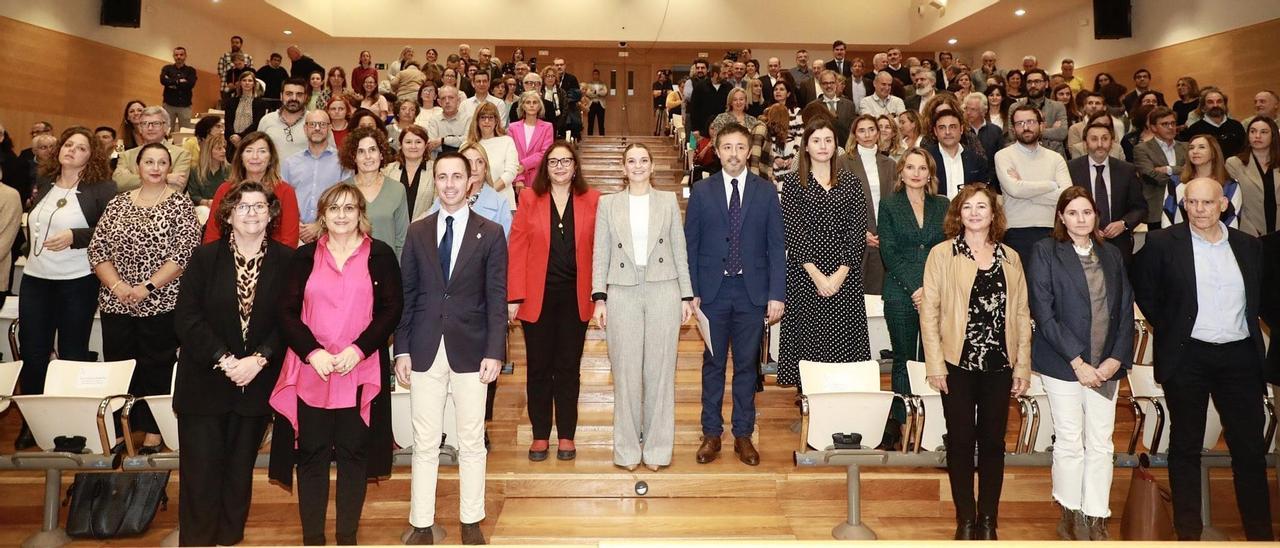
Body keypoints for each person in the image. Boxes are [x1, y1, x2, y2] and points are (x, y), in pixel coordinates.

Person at [1132, 178, 1274, 541]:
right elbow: (1145, 291)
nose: (1199, 210)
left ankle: (1259, 535)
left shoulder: (1249, 247)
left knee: (1249, 450)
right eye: (1191, 203)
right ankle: (1188, 534)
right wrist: (1171, 327)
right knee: (1185, 448)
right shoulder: (1163, 243)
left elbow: (1260, 299)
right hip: (1188, 356)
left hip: (1240, 357)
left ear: (1223, 205)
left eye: (1207, 203)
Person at [269, 183, 401, 546]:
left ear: (361, 213)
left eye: (349, 208)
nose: (341, 215)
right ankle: (313, 537)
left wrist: (358, 350)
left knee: (353, 455)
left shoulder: (382, 255)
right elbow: (286, 310)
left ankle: (347, 537)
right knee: (310, 454)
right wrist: (314, 352)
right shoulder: (304, 256)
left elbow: (392, 309)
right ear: (323, 215)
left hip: (358, 370)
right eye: (334, 208)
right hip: (313, 369)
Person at [394, 151, 504, 546]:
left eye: (458, 176)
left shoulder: (490, 232)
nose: (450, 184)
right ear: (435, 182)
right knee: (425, 440)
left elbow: (496, 296)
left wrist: (495, 351)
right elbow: (407, 295)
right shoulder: (418, 230)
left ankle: (471, 520)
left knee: (471, 439)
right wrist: (401, 349)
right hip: (423, 348)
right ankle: (421, 522)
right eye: (443, 177)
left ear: (470, 181)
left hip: (473, 350)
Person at [173, 182, 290, 546]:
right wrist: (224, 359)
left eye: (259, 206)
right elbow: (187, 318)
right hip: (205, 383)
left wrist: (260, 359)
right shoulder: (205, 258)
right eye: (242, 206)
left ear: (271, 213)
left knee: (238, 475)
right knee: (201, 475)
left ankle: (228, 541)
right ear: (227, 215)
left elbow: (292, 320)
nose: (251, 213)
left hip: (256, 382)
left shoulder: (288, 261)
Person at [920, 183, 1032, 541]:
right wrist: (935, 364)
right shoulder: (942, 254)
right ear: (958, 213)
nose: (974, 213)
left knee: (994, 443)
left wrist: (1023, 366)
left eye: (981, 207)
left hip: (1000, 365)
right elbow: (930, 313)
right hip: (956, 364)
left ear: (993, 214)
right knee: (961, 442)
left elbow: (1021, 314)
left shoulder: (1011, 257)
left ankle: (988, 520)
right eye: (967, 207)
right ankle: (965, 518)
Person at [1026, 187, 1134, 540]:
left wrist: (1115, 357)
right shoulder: (1046, 251)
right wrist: (1078, 362)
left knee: (1102, 441)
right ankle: (1070, 512)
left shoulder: (1112, 254)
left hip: (1106, 365)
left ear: (1096, 216)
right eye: (1072, 213)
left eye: (1086, 212)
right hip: (1063, 364)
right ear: (1061, 216)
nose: (1080, 219)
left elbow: (1123, 310)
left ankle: (1096, 514)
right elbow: (1044, 312)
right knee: (1070, 439)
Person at [89, 143, 201, 453]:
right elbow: (97, 249)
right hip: (117, 302)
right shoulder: (118, 203)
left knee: (157, 365)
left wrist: (145, 288)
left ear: (169, 168)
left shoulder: (181, 205)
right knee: (120, 366)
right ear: (138, 167)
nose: (154, 167)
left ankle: (153, 431)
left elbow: (184, 254)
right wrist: (118, 287)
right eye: (148, 161)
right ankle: (122, 428)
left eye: (161, 162)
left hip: (161, 302)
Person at [685, 123, 785, 466]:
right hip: (711, 294)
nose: (733, 154)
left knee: (746, 365)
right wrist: (691, 292)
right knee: (713, 364)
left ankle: (744, 434)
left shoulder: (766, 191)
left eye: (740, 147)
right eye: (727, 147)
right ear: (717, 148)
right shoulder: (701, 191)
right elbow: (691, 245)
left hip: (751, 292)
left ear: (749, 150)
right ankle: (711, 433)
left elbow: (776, 244)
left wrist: (777, 294)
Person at [588, 143, 692, 471]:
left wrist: (686, 296)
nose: (637, 166)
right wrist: (599, 297)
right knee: (626, 373)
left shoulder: (667, 202)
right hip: (622, 289)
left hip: (664, 287)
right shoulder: (608, 204)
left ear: (652, 166)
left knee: (661, 374)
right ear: (623, 167)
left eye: (643, 160)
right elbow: (600, 252)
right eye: (631, 161)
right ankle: (627, 451)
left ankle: (659, 450)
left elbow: (679, 249)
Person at [11, 128, 114, 451]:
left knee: (72, 353)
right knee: (34, 352)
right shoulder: (44, 182)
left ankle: (70, 425)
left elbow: (109, 230)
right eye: (68, 145)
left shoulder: (101, 188)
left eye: (81, 148)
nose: (72, 150)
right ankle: (34, 422)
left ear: (91, 156)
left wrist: (75, 236)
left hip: (78, 281)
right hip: (36, 279)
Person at [508, 142, 600, 462]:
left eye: (566, 161)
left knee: (567, 368)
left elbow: (600, 250)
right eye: (553, 162)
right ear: (545, 168)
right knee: (538, 368)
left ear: (576, 167)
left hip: (576, 298)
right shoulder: (529, 198)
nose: (560, 166)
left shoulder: (593, 200)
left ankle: (566, 435)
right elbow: (517, 247)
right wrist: (513, 296)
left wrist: (601, 293)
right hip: (537, 298)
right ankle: (538, 435)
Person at [777, 118, 871, 392]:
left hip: (845, 274)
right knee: (809, 339)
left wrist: (839, 275)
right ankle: (809, 404)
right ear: (806, 146)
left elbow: (857, 232)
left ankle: (839, 404)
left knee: (842, 341)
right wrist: (818, 277)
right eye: (816, 140)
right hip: (806, 274)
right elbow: (793, 233)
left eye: (828, 140)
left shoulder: (852, 183)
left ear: (836, 146)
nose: (822, 146)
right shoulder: (794, 184)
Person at [877, 146, 948, 449]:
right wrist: (916, 289)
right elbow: (889, 251)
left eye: (922, 168)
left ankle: (931, 424)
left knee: (932, 358)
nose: (916, 173)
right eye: (911, 167)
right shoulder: (889, 205)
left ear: (930, 173)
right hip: (900, 291)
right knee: (904, 358)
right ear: (901, 172)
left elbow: (948, 249)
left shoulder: (943, 206)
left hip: (937, 292)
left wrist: (930, 289)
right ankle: (901, 422)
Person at [994, 105, 1072, 261]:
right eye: (1019, 123)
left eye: (1030, 122)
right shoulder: (1003, 156)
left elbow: (1066, 197)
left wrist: (1024, 186)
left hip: (1053, 229)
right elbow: (1015, 190)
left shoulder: (1055, 158)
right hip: (1017, 232)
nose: (1025, 127)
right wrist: (1051, 185)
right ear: (1013, 129)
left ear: (1041, 125)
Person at [204, 132, 302, 247]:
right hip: (228, 256)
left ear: (270, 158)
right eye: (249, 151)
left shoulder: (285, 191)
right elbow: (212, 235)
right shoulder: (225, 189)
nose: (255, 157)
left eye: (262, 151)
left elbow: (290, 240)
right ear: (241, 156)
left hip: (274, 258)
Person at [1068, 122, 1147, 259]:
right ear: (1085, 143)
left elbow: (1140, 208)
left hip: (1118, 243)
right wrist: (1089, 228)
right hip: (1081, 240)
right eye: (1094, 139)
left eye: (1105, 138)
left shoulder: (1127, 170)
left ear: (1112, 142)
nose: (1100, 144)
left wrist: (1123, 224)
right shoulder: (1071, 169)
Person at [842, 115, 894, 292]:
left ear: (878, 133)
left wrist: (885, 233)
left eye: (871, 129)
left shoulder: (890, 164)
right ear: (854, 135)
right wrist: (859, 232)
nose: (867, 135)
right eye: (861, 130)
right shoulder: (842, 163)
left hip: (883, 238)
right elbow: (838, 205)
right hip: (854, 239)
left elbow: (893, 201)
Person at [340, 126, 408, 259]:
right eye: (361, 151)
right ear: (353, 157)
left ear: (381, 154)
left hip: (387, 268)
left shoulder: (397, 189)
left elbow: (402, 240)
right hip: (350, 268)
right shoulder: (342, 191)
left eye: (372, 150)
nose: (368, 156)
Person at [283, 110, 348, 244]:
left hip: (332, 235)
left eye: (322, 124)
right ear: (305, 129)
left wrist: (320, 224)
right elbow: (282, 201)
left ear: (329, 129)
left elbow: (346, 200)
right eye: (312, 124)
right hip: (295, 235)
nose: (317, 128)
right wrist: (296, 225)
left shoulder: (343, 162)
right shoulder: (290, 163)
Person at [1161, 134, 1238, 228]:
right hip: (1180, 240)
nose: (1195, 151)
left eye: (1201, 147)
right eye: (1191, 148)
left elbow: (1232, 220)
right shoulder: (1175, 182)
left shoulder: (1230, 186)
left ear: (1214, 152)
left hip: (1217, 240)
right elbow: (1167, 216)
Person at [113, 106, 191, 193]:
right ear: (140, 128)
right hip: (131, 205)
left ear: (166, 127)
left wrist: (132, 179)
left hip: (165, 205)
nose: (150, 128)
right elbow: (118, 184)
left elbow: (175, 189)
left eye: (156, 123)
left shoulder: (181, 154)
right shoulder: (127, 155)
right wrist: (166, 178)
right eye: (145, 123)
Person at [1133, 106, 1186, 230]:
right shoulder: (1142, 149)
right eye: (1165, 124)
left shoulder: (1186, 147)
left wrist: (1169, 170)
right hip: (1157, 210)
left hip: (1185, 208)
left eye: (1173, 123)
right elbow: (1151, 176)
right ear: (1153, 127)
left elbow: (1193, 173)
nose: (1171, 127)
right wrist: (1182, 172)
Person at [1230, 117, 1280, 236]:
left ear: (1273, 136)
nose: (1257, 136)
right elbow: (1235, 203)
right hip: (1249, 231)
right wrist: (1250, 230)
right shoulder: (1234, 163)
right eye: (1252, 131)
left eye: (1263, 132)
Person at [926, 109, 991, 200]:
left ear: (961, 129)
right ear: (935, 131)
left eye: (952, 127)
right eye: (942, 127)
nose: (947, 132)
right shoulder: (926, 159)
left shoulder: (976, 160)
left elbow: (984, 193)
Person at [465, 102, 518, 210]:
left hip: (503, 202)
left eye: (490, 117)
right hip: (472, 205)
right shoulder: (467, 145)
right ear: (477, 121)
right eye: (483, 117)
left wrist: (485, 195)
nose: (487, 121)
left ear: (497, 120)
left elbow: (510, 173)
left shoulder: (507, 141)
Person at [511, 91, 555, 198]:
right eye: (528, 102)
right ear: (522, 106)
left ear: (539, 106)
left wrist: (524, 165)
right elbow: (511, 155)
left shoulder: (547, 127)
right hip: (518, 178)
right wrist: (519, 178)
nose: (531, 105)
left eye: (535, 102)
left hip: (540, 178)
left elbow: (545, 153)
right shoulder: (513, 127)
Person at [384, 125, 433, 220]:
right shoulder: (387, 171)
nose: (413, 146)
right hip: (393, 230)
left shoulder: (436, 170)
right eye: (408, 142)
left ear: (426, 145)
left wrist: (417, 225)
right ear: (400, 145)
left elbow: (437, 204)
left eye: (418, 142)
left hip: (425, 228)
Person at [1179, 88, 1246, 157]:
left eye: (1219, 101)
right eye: (1210, 102)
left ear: (1225, 105)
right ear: (1203, 107)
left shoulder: (1236, 126)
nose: (1215, 105)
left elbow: (1245, 152)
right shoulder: (1194, 130)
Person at [259, 78, 312, 160]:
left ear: (305, 97)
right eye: (289, 94)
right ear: (281, 96)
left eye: (299, 94)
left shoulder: (315, 121)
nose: (294, 98)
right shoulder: (267, 120)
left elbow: (329, 154)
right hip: (274, 173)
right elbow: (258, 151)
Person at [224, 70, 270, 149]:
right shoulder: (231, 102)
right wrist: (233, 137)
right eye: (244, 80)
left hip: (251, 140)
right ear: (240, 83)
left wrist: (241, 136)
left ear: (254, 84)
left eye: (250, 81)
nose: (247, 83)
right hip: (233, 140)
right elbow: (228, 121)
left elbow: (257, 123)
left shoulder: (260, 103)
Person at [161, 46, 197, 130]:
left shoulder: (191, 70)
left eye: (181, 55)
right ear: (173, 56)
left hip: (185, 105)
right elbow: (163, 81)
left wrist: (171, 82)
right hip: (169, 105)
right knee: (166, 131)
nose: (179, 57)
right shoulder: (167, 68)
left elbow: (190, 84)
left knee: (185, 132)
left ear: (185, 56)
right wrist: (179, 81)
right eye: (176, 55)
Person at [428, 86, 471, 155]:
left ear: (458, 100)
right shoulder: (434, 121)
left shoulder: (468, 119)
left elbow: (468, 141)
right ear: (439, 102)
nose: (447, 101)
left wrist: (443, 141)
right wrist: (457, 143)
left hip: (463, 160)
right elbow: (432, 145)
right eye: (443, 98)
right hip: (439, 161)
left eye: (451, 97)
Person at [189, 133, 229, 206]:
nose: (224, 151)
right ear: (208, 151)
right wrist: (207, 202)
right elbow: (193, 196)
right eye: (219, 148)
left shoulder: (231, 169)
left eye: (224, 147)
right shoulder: (195, 170)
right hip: (204, 207)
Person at [585, 69, 607, 135]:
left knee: (601, 122)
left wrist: (595, 92)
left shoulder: (603, 84)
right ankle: (589, 137)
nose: (595, 75)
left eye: (597, 74)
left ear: (598, 75)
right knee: (590, 122)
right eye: (594, 74)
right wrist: (598, 93)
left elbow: (605, 92)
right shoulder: (589, 84)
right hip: (591, 104)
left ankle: (602, 137)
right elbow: (588, 93)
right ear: (592, 75)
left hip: (600, 104)